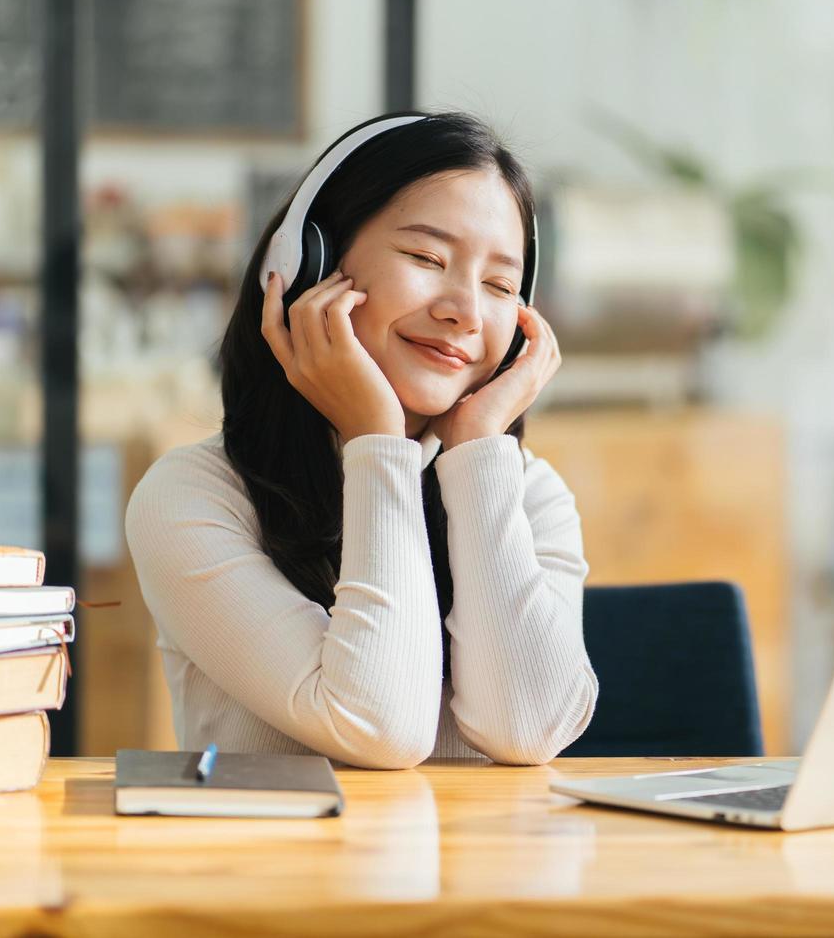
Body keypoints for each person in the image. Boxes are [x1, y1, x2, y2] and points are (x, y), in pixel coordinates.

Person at [125, 112, 597, 769]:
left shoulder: (527, 493)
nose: (464, 310)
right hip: (273, 870)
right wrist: (376, 441)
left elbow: (529, 730)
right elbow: (379, 725)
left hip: (484, 869)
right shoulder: (191, 498)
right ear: (309, 266)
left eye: (499, 286)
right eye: (427, 258)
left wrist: (481, 451)